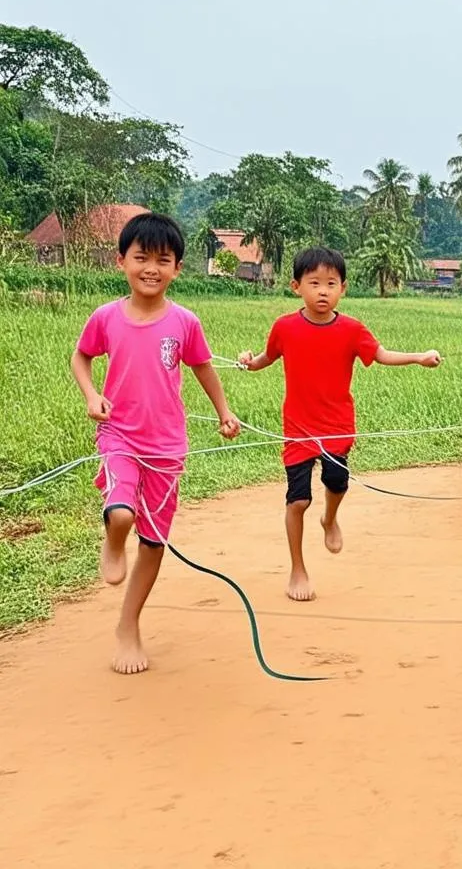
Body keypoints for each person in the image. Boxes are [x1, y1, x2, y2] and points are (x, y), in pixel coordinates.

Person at [71, 213, 240, 675]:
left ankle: (129, 625)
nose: (151, 268)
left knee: (153, 543)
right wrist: (92, 395)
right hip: (119, 434)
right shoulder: (106, 317)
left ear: (177, 268)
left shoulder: (185, 322)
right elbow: (81, 356)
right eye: (141, 257)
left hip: (167, 446)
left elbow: (203, 367)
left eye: (163, 260)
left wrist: (225, 411)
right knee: (123, 513)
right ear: (121, 260)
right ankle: (112, 539)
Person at [238, 246, 441, 602]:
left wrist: (417, 357)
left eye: (331, 283)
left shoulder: (351, 330)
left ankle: (330, 519)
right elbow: (266, 358)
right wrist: (247, 362)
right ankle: (297, 569)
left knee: (337, 483)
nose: (322, 291)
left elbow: (379, 354)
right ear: (296, 286)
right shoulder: (284, 327)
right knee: (297, 501)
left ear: (343, 289)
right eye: (314, 282)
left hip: (336, 426)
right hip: (298, 429)